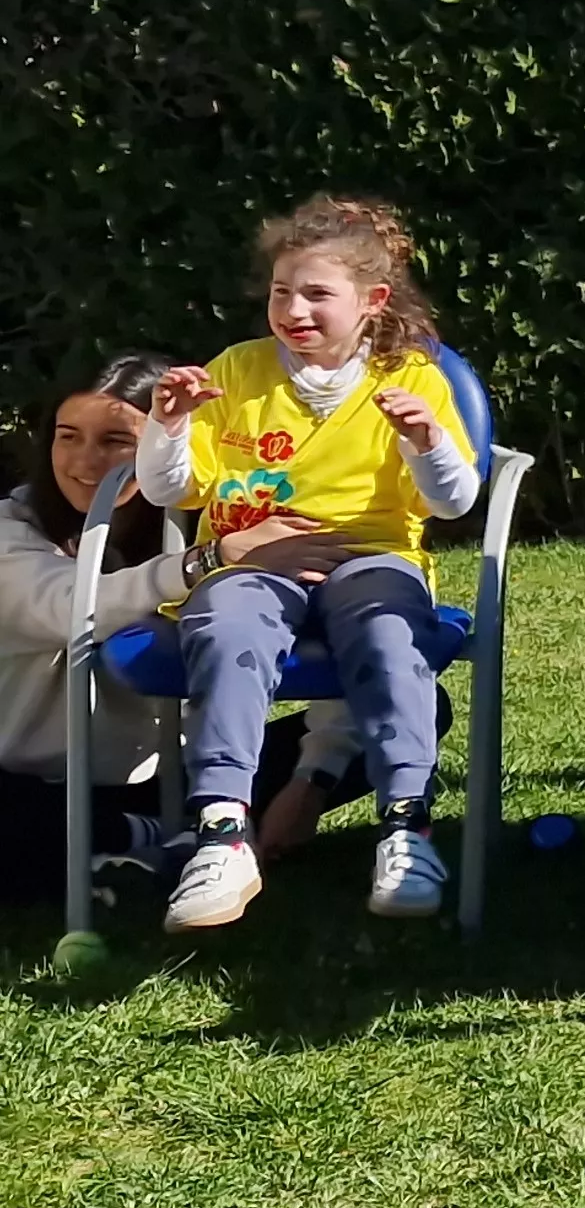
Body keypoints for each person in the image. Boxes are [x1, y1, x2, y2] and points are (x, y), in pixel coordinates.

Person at [138, 197, 482, 928]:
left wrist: (426, 440)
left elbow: (453, 503)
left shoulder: (411, 378)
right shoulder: (238, 371)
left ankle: (407, 827)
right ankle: (224, 832)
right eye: (280, 291)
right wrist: (168, 425)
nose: (294, 308)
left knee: (389, 634)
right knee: (228, 628)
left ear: (371, 302)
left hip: (372, 556)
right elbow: (173, 488)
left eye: (317, 293)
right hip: (255, 559)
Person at [3, 354, 374, 913]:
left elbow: (330, 638)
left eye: (114, 441)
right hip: (30, 781)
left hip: (178, 773)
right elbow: (69, 607)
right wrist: (208, 562)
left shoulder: (222, 516)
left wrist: (312, 775)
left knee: (396, 711)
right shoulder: (12, 530)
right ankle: (147, 843)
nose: (84, 461)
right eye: (67, 436)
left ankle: (183, 831)